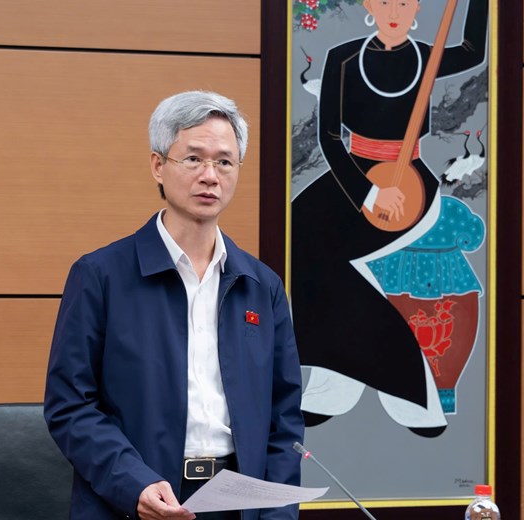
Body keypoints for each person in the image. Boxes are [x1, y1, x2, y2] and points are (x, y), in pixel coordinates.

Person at [45, 90, 304, 520]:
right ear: (158, 166)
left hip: (239, 504)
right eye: (194, 158)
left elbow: (285, 419)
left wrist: (276, 515)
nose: (210, 176)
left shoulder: (262, 287)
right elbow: (70, 405)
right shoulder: (101, 276)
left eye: (225, 162)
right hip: (136, 502)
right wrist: (133, 484)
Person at [292, 0, 488, 434]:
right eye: (384, 1)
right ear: (369, 6)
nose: (394, 10)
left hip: (409, 183)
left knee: (333, 264)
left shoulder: (426, 57)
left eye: (403, 1)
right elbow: (330, 137)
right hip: (353, 177)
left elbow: (474, 51)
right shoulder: (342, 58)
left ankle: (402, 394)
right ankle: (337, 382)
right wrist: (367, 193)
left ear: (416, 7)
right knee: (296, 238)